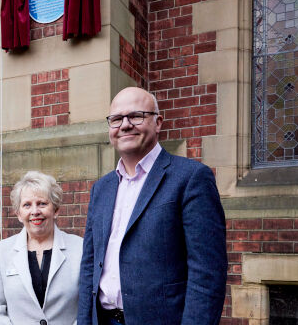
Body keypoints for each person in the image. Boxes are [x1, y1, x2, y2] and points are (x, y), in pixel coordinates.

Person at [78, 87, 227, 325]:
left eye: (136, 116)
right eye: (116, 119)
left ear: (158, 123)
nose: (125, 125)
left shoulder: (190, 178)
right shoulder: (101, 189)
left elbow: (207, 274)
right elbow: (89, 266)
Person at [0, 171, 82, 325]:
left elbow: (88, 305)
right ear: (19, 214)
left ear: (55, 210)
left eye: (42, 203)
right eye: (27, 205)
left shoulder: (80, 248)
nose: (35, 211)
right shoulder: (1, 251)